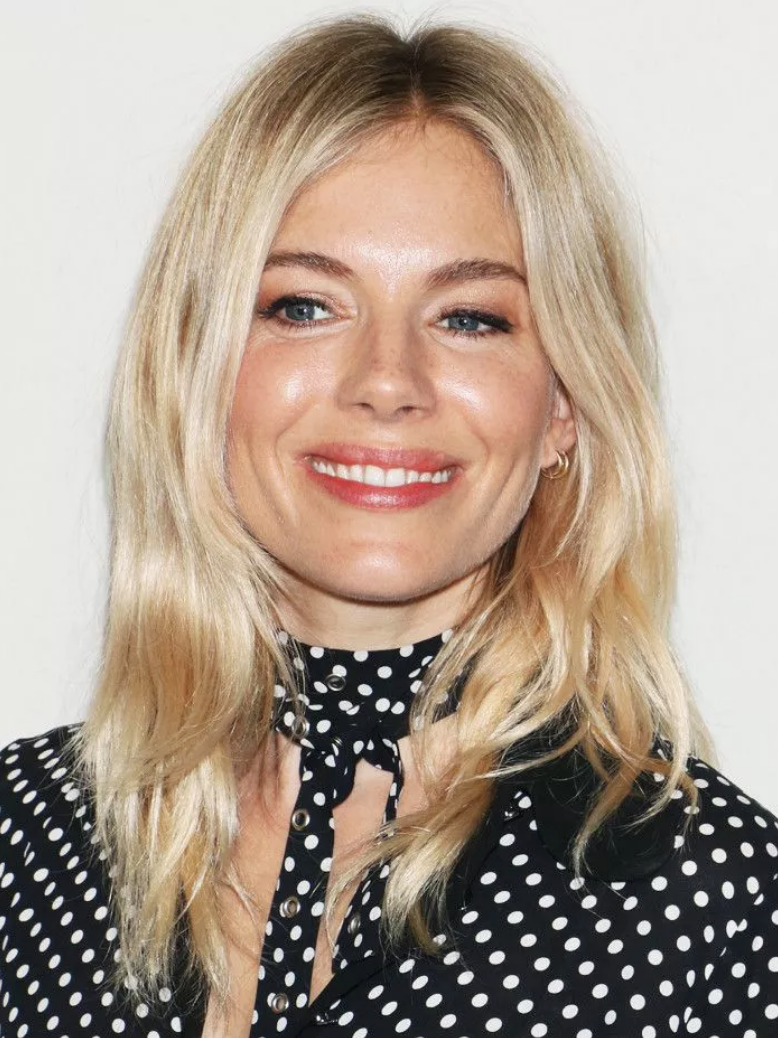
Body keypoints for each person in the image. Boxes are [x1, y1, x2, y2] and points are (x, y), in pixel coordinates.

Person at [1, 12, 776, 1038]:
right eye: (304, 305)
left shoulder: (710, 896)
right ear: (195, 373)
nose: (386, 380)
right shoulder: (23, 838)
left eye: (470, 318)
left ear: (564, 405)